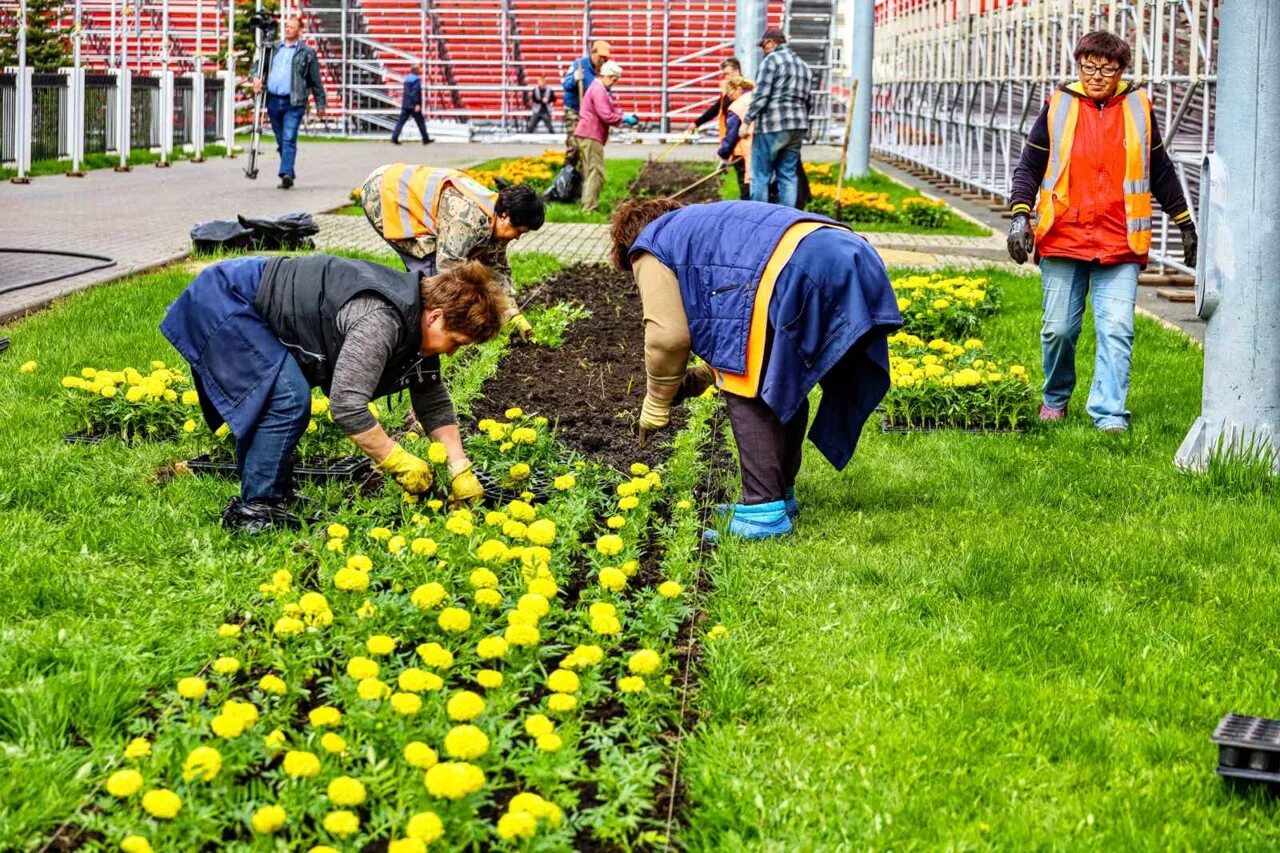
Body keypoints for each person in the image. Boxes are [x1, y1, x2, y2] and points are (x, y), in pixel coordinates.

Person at [610, 198, 901, 540]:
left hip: (800, 266)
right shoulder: (706, 226)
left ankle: (762, 512)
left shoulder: (651, 243)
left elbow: (668, 337)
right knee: (781, 378)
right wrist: (703, 375)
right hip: (849, 252)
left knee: (746, 385)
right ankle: (780, 496)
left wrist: (657, 401)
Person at [160, 255, 506, 533]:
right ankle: (256, 511)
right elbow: (347, 405)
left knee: (280, 395)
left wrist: (460, 467)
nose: (451, 354)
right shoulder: (382, 320)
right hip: (225, 300)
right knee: (287, 399)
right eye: (456, 342)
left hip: (236, 300)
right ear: (435, 317)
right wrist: (397, 461)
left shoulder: (416, 324)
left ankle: (274, 496)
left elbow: (431, 395)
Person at [1007, 30, 1197, 433]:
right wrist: (1019, 215)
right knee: (1059, 329)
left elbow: (1159, 170)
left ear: (1121, 71)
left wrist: (1184, 222)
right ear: (1079, 66)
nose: (1096, 76)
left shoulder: (1138, 108)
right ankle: (1055, 398)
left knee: (1116, 329)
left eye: (1106, 69)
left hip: (1120, 239)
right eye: (1088, 67)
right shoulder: (1058, 105)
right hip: (1063, 236)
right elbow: (1030, 166)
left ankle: (1109, 413)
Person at [360, 164, 545, 337]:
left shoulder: (496, 215)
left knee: (460, 265)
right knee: (430, 269)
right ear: (505, 216)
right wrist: (468, 310)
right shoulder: (467, 219)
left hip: (397, 183)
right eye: (518, 231)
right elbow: (448, 266)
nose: (518, 237)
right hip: (384, 192)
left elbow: (497, 266)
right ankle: (423, 331)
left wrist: (511, 310)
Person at [251, 16, 326, 190]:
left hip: (294, 102)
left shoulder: (307, 53)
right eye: (287, 26)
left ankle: (285, 173)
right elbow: (258, 66)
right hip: (273, 100)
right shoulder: (274, 48)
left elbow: (316, 81)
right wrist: (255, 77)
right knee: (281, 139)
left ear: (300, 31)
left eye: (292, 27)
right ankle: (289, 173)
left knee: (288, 137)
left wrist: (320, 104)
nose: (288, 29)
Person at [743, 28, 812, 208]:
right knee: (788, 175)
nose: (763, 51)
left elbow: (761, 95)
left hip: (772, 125)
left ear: (771, 43)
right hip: (798, 125)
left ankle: (758, 219)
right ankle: (787, 219)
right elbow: (807, 99)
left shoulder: (771, 61)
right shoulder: (803, 65)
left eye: (764, 46)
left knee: (760, 176)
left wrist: (747, 120)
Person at [574, 61, 638, 213]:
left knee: (591, 172)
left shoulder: (598, 88)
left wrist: (621, 115)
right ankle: (589, 209)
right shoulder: (599, 90)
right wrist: (624, 119)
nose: (614, 83)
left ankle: (587, 205)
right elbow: (606, 115)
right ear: (608, 76)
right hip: (591, 134)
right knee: (596, 172)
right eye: (614, 79)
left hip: (587, 134)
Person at [691, 57, 754, 199]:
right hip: (738, 144)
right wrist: (697, 122)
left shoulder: (742, 93)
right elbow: (716, 108)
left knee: (747, 181)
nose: (725, 77)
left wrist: (724, 154)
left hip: (742, 144)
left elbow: (735, 126)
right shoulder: (735, 91)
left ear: (737, 71)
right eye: (723, 74)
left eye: (727, 73)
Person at [561, 40, 612, 162]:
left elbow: (606, 90)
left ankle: (584, 176)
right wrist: (574, 79)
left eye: (606, 58)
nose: (603, 60)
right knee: (574, 146)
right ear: (593, 53)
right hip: (575, 110)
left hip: (591, 113)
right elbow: (566, 85)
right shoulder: (579, 65)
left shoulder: (605, 70)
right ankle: (568, 174)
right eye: (601, 57)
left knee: (588, 147)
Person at [391, 63, 433, 145]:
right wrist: (417, 103)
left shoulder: (407, 79)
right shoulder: (416, 80)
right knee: (420, 122)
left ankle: (394, 137)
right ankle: (425, 139)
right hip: (413, 105)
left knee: (401, 122)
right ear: (417, 70)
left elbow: (407, 92)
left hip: (406, 104)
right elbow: (415, 92)